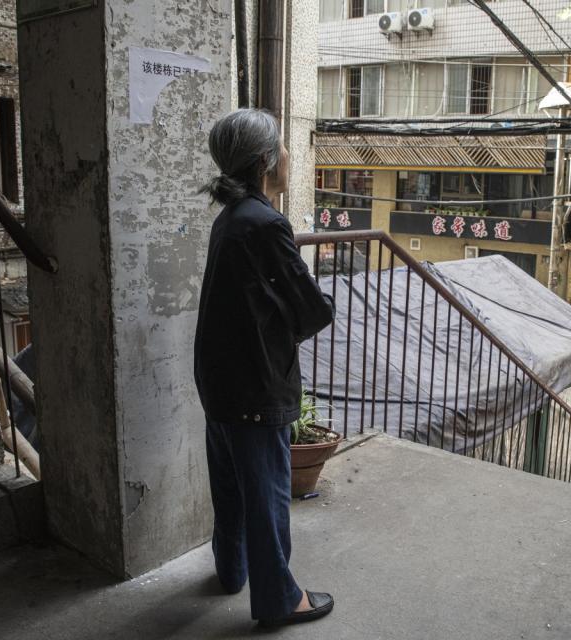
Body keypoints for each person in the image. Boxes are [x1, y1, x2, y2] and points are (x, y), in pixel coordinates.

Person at [194, 109, 336, 627]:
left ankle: (231, 570)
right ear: (264, 162)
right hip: (256, 384)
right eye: (282, 147)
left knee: (230, 486)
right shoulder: (266, 223)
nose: (288, 156)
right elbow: (309, 308)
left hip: (219, 379)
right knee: (268, 495)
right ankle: (280, 599)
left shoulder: (229, 218)